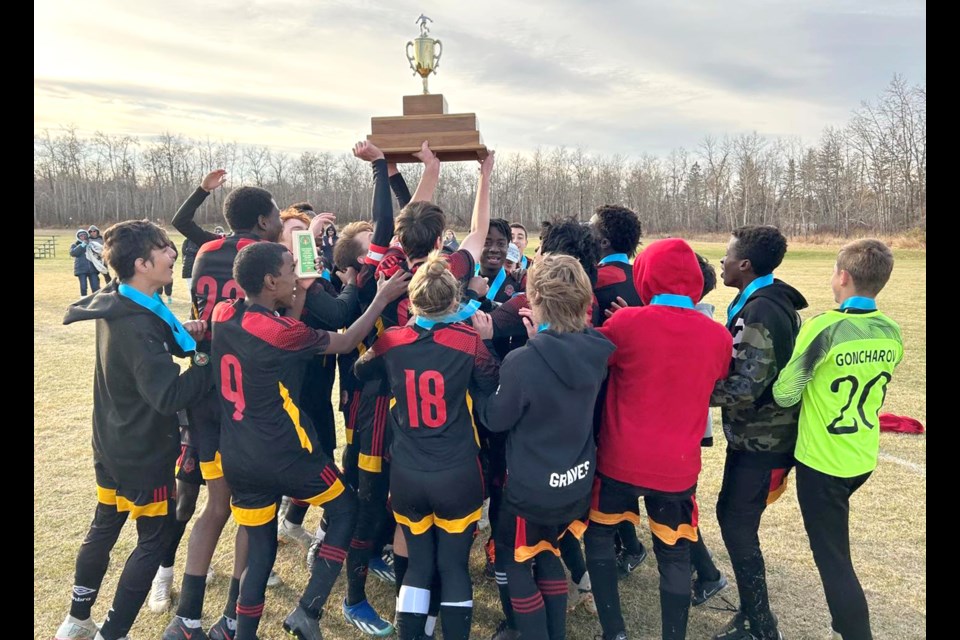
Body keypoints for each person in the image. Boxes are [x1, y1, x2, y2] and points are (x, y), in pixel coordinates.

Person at [212, 241, 410, 640]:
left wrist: (299, 293)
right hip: (285, 453)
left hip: (238, 453)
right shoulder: (278, 330)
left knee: (261, 547)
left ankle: (242, 631)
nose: (297, 273)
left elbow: (281, 334)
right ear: (270, 281)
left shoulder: (223, 312)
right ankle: (309, 609)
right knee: (345, 508)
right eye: (289, 269)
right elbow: (347, 336)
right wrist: (382, 297)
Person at [54, 220, 211, 640]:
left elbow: (166, 336)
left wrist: (189, 339)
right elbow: (169, 395)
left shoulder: (123, 298)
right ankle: (113, 632)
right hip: (143, 450)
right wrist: (204, 362)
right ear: (142, 264)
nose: (173, 253)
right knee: (153, 540)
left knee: (105, 524)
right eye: (163, 248)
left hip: (111, 441)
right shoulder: (137, 323)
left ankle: (77, 618)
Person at [584, 238, 732, 640]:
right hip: (678, 467)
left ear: (646, 276)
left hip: (619, 458)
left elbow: (599, 355)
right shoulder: (716, 335)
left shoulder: (626, 323)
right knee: (675, 550)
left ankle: (613, 631)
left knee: (599, 536)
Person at [354, 252, 500, 640]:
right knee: (453, 567)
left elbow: (361, 370)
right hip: (456, 471)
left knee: (418, 564)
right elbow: (491, 389)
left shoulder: (391, 341)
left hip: (407, 472)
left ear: (412, 302)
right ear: (454, 301)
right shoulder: (469, 341)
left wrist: (392, 380)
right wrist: (486, 342)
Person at [163, 175, 284, 640]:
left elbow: (182, 223)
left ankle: (187, 617)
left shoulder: (209, 251)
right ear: (262, 220)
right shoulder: (266, 263)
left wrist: (199, 190)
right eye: (275, 214)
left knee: (215, 505)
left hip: (205, 387)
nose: (278, 221)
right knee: (253, 508)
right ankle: (233, 614)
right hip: (247, 392)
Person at [478, 254, 615, 640]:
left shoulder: (523, 361)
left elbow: (495, 417)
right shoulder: (598, 347)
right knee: (549, 552)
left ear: (533, 298)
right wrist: (540, 340)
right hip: (574, 482)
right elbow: (562, 366)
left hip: (530, 488)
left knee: (516, 560)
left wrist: (486, 356)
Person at [773, 239, 902, 640]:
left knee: (834, 560)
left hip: (824, 462)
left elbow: (785, 393)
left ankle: (852, 632)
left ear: (842, 276)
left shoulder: (824, 328)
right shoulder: (891, 330)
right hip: (861, 456)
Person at [709, 225, 807, 640]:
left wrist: (690, 391)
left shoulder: (764, 309)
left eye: (727, 255)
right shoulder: (757, 298)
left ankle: (761, 625)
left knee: (736, 523)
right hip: (754, 437)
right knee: (732, 517)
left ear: (744, 264)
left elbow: (747, 386)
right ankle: (754, 616)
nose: (722, 262)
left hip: (764, 441)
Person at [70, 229, 101, 296]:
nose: (83, 237)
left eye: (84, 235)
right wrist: (82, 245)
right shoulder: (75, 245)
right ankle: (83, 300)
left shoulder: (92, 244)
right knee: (83, 287)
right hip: (81, 269)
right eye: (81, 235)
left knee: (96, 287)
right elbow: (73, 253)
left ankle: (96, 301)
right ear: (78, 237)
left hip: (92, 269)